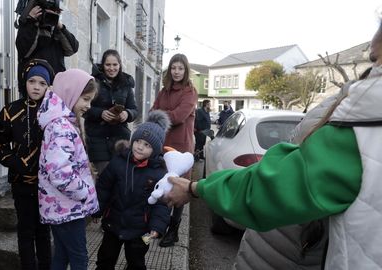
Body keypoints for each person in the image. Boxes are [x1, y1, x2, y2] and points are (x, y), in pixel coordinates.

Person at [165, 19, 382, 269]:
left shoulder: (358, 130)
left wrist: (195, 188)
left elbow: (265, 187)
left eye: (374, 60)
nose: (365, 76)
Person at [0, 59, 54, 270]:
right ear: (24, 82)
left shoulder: (53, 112)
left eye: (42, 83)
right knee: (26, 230)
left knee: (44, 231)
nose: (36, 87)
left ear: (48, 86)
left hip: (47, 184)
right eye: (32, 81)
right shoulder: (10, 111)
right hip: (21, 183)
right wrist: (15, 162)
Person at [92, 110, 171, 270]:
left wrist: (157, 226)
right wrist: (97, 210)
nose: (140, 147)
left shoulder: (159, 172)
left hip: (141, 230)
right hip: (113, 223)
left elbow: (162, 203)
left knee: (136, 262)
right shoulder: (118, 161)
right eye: (138, 141)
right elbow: (104, 188)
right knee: (105, 259)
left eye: (147, 145)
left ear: (155, 150)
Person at [37, 69, 99, 270]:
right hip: (67, 206)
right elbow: (60, 173)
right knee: (79, 258)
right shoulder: (61, 127)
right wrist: (83, 191)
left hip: (61, 206)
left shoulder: (59, 123)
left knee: (62, 256)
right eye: (86, 99)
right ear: (71, 93)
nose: (88, 106)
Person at [151, 53, 198, 247]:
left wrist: (158, 115)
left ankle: (174, 230)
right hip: (163, 142)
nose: (176, 71)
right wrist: (158, 115)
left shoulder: (190, 91)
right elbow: (152, 111)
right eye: (173, 68)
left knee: (178, 185)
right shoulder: (164, 91)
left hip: (181, 145)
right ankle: (160, 225)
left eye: (180, 68)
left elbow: (179, 116)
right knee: (162, 183)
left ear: (185, 70)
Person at [84, 49, 138, 174]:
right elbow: (83, 108)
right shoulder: (92, 82)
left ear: (120, 65)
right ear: (103, 65)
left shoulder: (126, 85)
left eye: (115, 65)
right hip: (97, 139)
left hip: (120, 139)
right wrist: (100, 113)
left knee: (119, 179)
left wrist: (127, 114)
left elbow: (134, 110)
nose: (111, 68)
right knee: (102, 178)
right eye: (108, 65)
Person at [15, 1, 79, 91]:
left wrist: (60, 26)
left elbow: (72, 49)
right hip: (33, 89)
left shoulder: (57, 31)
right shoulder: (28, 26)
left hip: (55, 88)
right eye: (45, 12)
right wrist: (31, 21)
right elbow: (24, 50)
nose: (48, 17)